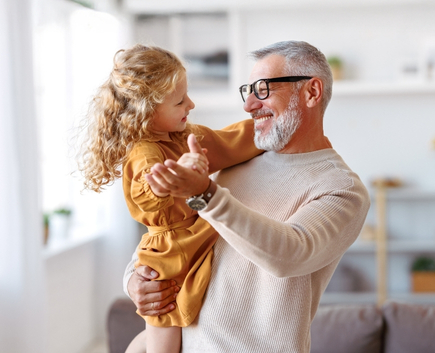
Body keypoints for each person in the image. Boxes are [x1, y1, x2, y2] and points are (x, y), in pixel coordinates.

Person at [124, 40, 371, 353]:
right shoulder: (231, 162)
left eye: (264, 89)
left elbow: (289, 253)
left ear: (311, 92)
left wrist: (205, 192)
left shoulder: (341, 188)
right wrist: (135, 279)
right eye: (248, 90)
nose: (249, 105)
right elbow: (170, 233)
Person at [77, 44, 262, 353]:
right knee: (164, 341)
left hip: (193, 238)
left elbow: (229, 142)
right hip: (167, 257)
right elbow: (148, 193)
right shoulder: (145, 151)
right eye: (180, 101)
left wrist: (268, 127)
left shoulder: (184, 136)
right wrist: (174, 177)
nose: (190, 103)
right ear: (146, 110)